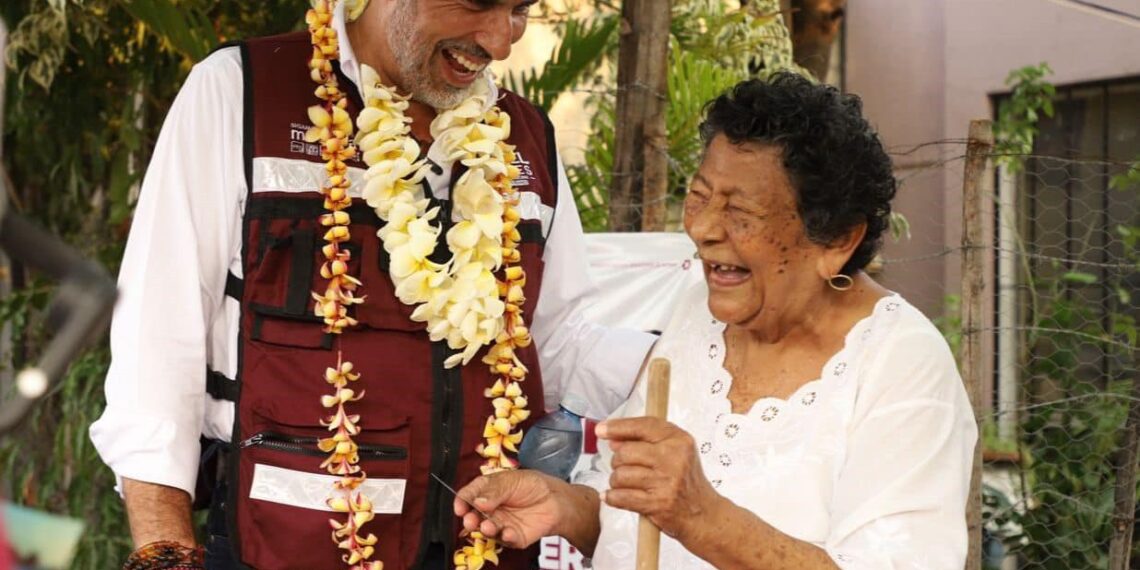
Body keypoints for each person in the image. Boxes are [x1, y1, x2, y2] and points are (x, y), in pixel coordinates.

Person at [88, 1, 656, 569]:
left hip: (484, 547)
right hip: (280, 546)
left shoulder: (526, 138)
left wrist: (708, 359)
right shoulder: (242, 93)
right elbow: (156, 348)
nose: (501, 42)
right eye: (479, 3)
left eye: (519, 9)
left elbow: (557, 344)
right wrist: (164, 554)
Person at [454, 74, 979, 569]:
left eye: (740, 213)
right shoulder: (697, 319)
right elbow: (636, 523)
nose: (703, 229)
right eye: (699, 198)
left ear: (837, 240)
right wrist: (565, 506)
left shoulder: (900, 364)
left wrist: (704, 518)